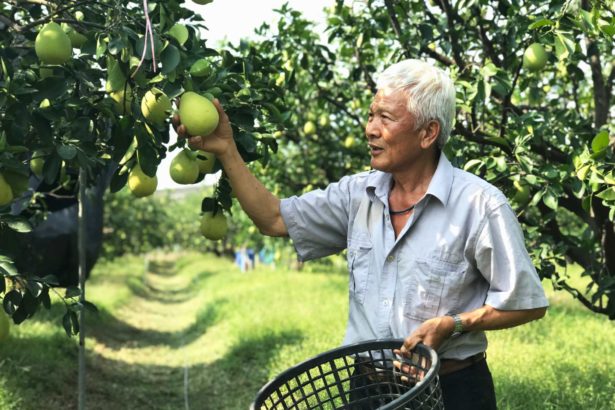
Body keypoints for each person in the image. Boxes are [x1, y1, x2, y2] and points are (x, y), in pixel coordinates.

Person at [174, 59, 549, 409]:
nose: (370, 128)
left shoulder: (480, 205)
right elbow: (274, 218)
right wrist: (226, 150)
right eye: (371, 115)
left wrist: (454, 325)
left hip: (452, 391)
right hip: (368, 389)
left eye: (385, 117)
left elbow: (526, 302)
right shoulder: (357, 196)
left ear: (428, 132)